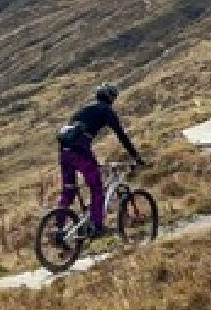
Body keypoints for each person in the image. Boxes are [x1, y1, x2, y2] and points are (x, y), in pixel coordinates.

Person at [56, 83, 145, 239]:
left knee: (68, 191)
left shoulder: (83, 110)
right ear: (111, 98)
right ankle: (97, 226)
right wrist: (135, 156)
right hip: (80, 151)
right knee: (97, 187)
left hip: (64, 152)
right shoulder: (106, 110)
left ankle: (59, 228)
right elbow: (121, 134)